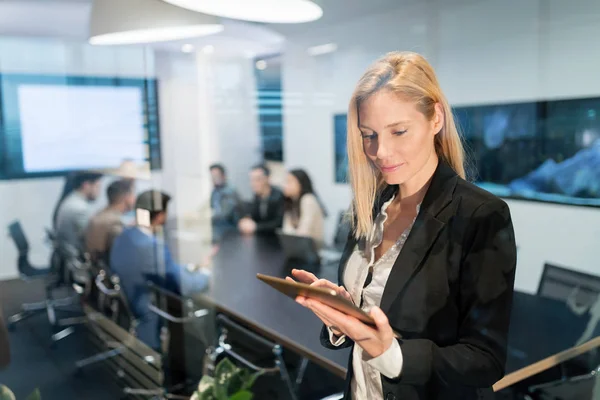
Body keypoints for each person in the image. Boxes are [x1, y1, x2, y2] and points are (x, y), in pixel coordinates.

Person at [288, 52, 517, 400]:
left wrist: (390, 355)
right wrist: (342, 316)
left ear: (435, 118)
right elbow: (369, 323)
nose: (381, 151)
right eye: (369, 135)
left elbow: (485, 359)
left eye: (399, 131)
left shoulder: (480, 215)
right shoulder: (369, 206)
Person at [110, 190, 210, 350]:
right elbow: (185, 286)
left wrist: (189, 268)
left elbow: (164, 270)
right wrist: (205, 274)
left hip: (126, 305)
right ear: (161, 216)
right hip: (149, 312)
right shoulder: (152, 247)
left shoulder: (126, 235)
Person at [85, 179, 136, 263]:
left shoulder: (100, 214)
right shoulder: (114, 222)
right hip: (107, 271)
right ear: (127, 197)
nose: (135, 198)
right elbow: (124, 253)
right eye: (133, 194)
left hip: (94, 267)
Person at [55, 172, 103, 256]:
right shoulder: (81, 209)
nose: (99, 192)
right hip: (80, 258)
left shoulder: (71, 199)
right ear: (86, 185)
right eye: (97, 187)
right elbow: (93, 242)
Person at [282, 169, 327, 249]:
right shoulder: (291, 201)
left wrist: (291, 235)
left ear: (301, 183)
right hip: (298, 248)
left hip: (312, 250)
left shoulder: (308, 199)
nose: (285, 186)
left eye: (290, 182)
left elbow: (303, 234)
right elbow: (286, 231)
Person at [238, 164, 284, 235]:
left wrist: (256, 227)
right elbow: (253, 216)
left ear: (267, 178)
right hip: (260, 237)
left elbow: (279, 223)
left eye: (257, 179)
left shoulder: (278, 196)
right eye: (251, 180)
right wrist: (246, 220)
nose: (253, 184)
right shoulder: (257, 196)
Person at [209, 164, 240, 242]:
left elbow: (223, 214)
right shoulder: (215, 191)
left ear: (223, 176)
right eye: (212, 176)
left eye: (216, 176)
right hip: (217, 231)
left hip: (230, 233)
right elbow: (212, 207)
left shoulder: (230, 191)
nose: (213, 178)